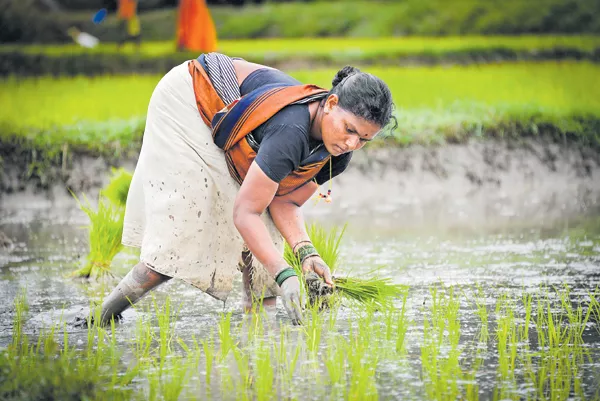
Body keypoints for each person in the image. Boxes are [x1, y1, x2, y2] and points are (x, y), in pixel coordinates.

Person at [97, 52, 395, 326]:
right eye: (349, 130)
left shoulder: (337, 153)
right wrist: (285, 273)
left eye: (364, 139)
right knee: (182, 234)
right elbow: (245, 212)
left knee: (268, 240)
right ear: (330, 104)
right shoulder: (291, 131)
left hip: (241, 129)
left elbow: (285, 202)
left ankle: (258, 340)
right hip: (191, 100)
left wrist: (307, 255)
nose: (352, 144)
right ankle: (99, 318)